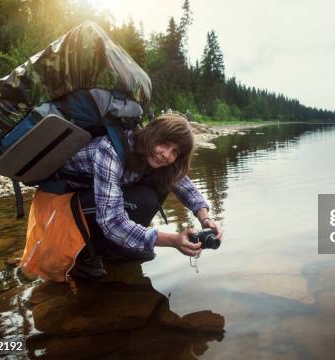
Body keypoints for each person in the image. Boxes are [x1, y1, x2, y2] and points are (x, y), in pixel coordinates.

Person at [60, 113, 222, 278]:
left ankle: (118, 249)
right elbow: (112, 221)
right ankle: (85, 254)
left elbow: (184, 184)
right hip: (61, 210)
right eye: (165, 144)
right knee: (144, 199)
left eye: (175, 151)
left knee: (163, 181)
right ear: (152, 134)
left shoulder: (150, 154)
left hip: (89, 200)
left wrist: (205, 218)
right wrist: (171, 240)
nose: (167, 154)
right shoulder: (109, 150)